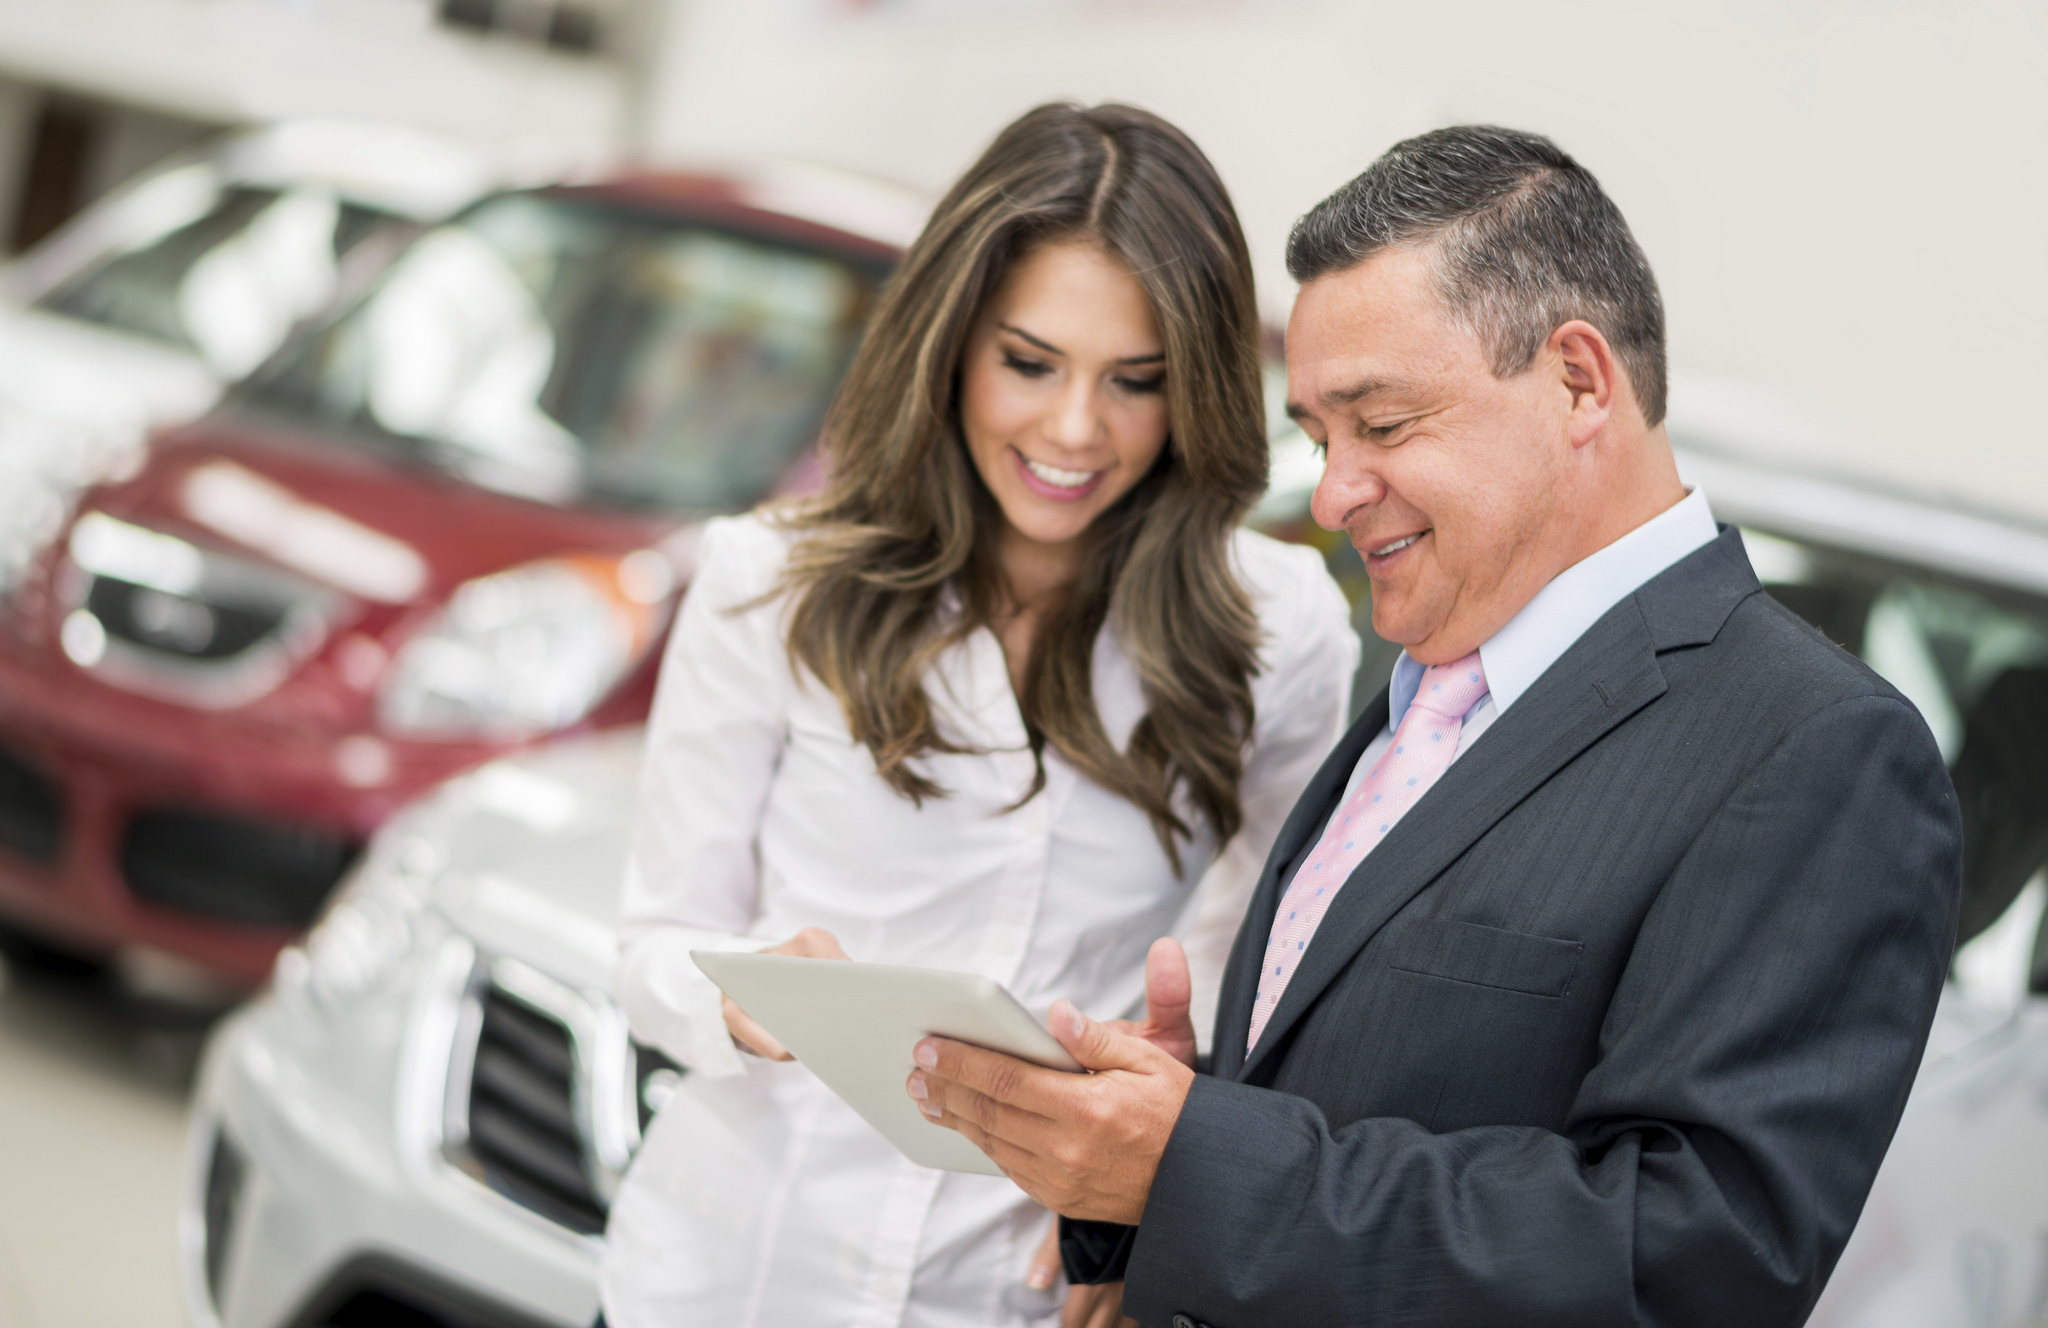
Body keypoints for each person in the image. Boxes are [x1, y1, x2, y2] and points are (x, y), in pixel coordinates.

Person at [908, 125, 1963, 1327]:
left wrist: (1193, 1160)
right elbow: (1359, 1100)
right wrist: (1140, 1144)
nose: (1333, 485)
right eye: (1318, 435)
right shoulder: (1428, 685)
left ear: (1577, 380)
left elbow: (1680, 1262)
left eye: (1383, 422)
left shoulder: (1815, 749)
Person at [599, 102, 1358, 1328]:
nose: (1073, 430)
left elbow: (1251, 971)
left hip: (1006, 1296)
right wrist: (737, 996)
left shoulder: (1275, 633)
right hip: (732, 1275)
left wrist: (1150, 1186)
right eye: (1029, 362)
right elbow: (650, 943)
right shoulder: (766, 579)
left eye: (1135, 382)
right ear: (950, 343)